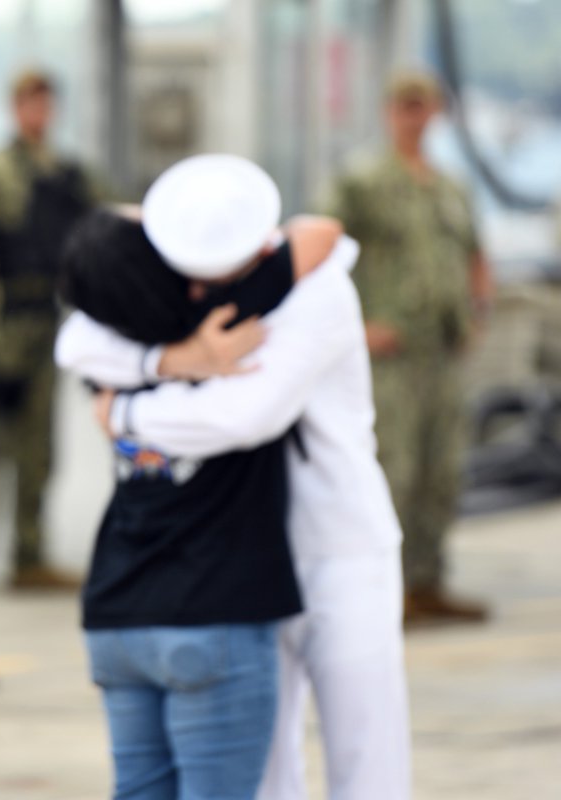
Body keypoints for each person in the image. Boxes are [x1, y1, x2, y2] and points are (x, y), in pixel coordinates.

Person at [58, 155, 410, 800]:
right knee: (267, 769)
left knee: (366, 754)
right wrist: (175, 357)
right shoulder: (196, 283)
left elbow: (244, 414)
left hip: (341, 545)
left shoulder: (316, 288)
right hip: (250, 558)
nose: (191, 293)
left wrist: (127, 410)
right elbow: (79, 340)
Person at [327, 70, 493, 624]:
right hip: (390, 353)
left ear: (435, 113)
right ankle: (384, 589)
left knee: (440, 469)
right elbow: (321, 249)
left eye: (422, 107)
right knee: (390, 469)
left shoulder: (450, 188)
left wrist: (478, 309)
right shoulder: (363, 183)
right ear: (388, 113)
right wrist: (356, 324)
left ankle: (426, 582)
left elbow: (475, 252)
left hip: (441, 351)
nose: (413, 118)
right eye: (404, 107)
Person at [0, 69, 99, 589]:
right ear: (14, 106)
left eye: (46, 101)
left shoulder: (68, 172)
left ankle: (29, 555)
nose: (38, 112)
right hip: (2, 320)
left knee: (38, 448)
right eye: (29, 102)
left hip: (46, 319)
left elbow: (99, 226)